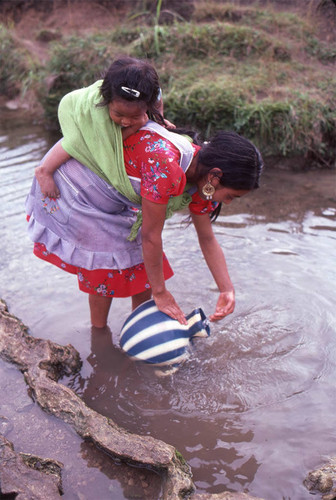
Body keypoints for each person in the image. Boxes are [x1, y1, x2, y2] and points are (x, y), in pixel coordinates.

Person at [26, 119, 263, 329]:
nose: (229, 203)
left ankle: (137, 328)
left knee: (143, 269)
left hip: (110, 197)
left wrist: (226, 289)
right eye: (232, 196)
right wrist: (160, 293)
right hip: (75, 190)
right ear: (216, 176)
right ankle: (99, 336)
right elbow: (151, 236)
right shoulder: (167, 165)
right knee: (103, 268)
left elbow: (207, 238)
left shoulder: (203, 182)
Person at [35, 56, 174, 199]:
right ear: (108, 101)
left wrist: (160, 120)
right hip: (75, 109)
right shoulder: (98, 110)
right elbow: (107, 143)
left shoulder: (152, 95)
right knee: (76, 141)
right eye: (119, 114)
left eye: (134, 116)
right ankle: (44, 170)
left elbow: (157, 103)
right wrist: (134, 127)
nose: (125, 121)